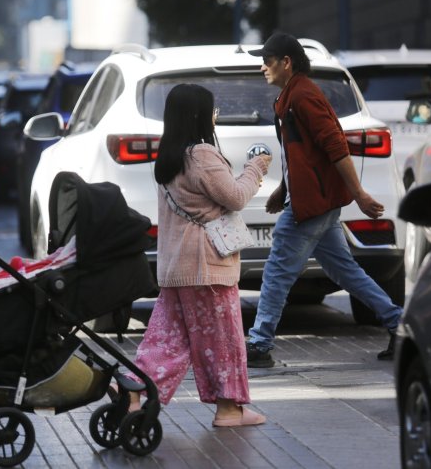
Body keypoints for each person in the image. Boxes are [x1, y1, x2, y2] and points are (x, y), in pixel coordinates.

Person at [245, 32, 403, 367]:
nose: (263, 67)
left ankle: (259, 345)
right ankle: (400, 325)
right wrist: (284, 189)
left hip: (312, 205)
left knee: (275, 272)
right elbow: (303, 155)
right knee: (345, 271)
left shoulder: (304, 96)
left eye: (268, 60)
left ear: (286, 62)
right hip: (313, 201)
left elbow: (335, 146)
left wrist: (359, 194)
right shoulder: (291, 95)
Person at [123, 83, 272, 427]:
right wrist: (256, 168)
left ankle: (133, 389)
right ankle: (229, 409)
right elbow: (235, 197)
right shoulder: (201, 154)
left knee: (167, 340)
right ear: (198, 116)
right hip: (207, 268)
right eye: (211, 110)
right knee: (224, 340)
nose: (215, 115)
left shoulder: (170, 155)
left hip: (177, 268)